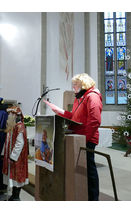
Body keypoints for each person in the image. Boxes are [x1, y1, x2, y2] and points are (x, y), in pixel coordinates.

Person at [44, 73, 103, 201]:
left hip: (86, 139)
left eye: (75, 85)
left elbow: (95, 121)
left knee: (89, 170)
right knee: (82, 169)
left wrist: (83, 140)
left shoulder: (92, 97)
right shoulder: (79, 98)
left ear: (83, 84)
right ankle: (82, 194)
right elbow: (74, 117)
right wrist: (60, 111)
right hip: (77, 138)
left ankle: (93, 199)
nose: (73, 88)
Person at [2, 106, 29, 201]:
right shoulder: (13, 126)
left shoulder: (20, 126)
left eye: (10, 115)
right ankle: (13, 195)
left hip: (17, 158)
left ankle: (16, 196)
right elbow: (7, 141)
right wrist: (4, 153)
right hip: (10, 156)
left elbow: (20, 143)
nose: (8, 117)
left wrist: (13, 156)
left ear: (14, 115)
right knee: (12, 177)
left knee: (17, 177)